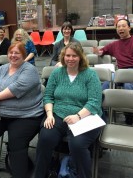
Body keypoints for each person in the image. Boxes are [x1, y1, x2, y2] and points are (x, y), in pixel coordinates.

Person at [34, 42, 102, 178]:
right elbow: (48, 96)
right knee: (45, 138)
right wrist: (49, 115)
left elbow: (94, 102)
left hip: (84, 116)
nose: (70, 59)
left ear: (81, 57)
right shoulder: (57, 73)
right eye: (67, 55)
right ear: (63, 57)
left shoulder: (90, 75)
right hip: (57, 114)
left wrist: (78, 116)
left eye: (74, 56)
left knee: (77, 145)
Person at [0, 42, 44, 178]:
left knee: (15, 141)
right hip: (1, 113)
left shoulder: (29, 70)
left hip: (26, 115)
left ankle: (20, 173)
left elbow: (15, 89)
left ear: (23, 55)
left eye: (17, 53)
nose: (13, 55)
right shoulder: (3, 68)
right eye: (10, 52)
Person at [93, 18, 133, 124]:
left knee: (128, 85)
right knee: (104, 85)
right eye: (118, 26)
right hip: (121, 73)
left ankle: (129, 116)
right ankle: (102, 113)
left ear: (129, 28)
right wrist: (98, 52)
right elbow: (102, 51)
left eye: (123, 26)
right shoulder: (114, 45)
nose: (121, 28)